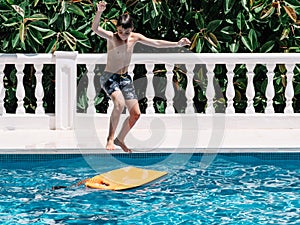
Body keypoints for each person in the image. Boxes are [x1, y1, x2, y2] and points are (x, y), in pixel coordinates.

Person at [92, 1, 191, 153]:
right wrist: (99, 12)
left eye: (126, 32)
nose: (123, 36)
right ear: (117, 29)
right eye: (120, 32)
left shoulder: (134, 37)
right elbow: (95, 28)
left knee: (136, 114)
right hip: (110, 77)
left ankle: (120, 139)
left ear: (131, 30)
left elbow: (156, 43)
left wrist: (177, 44)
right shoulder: (112, 38)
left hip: (124, 78)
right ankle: (110, 139)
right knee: (119, 103)